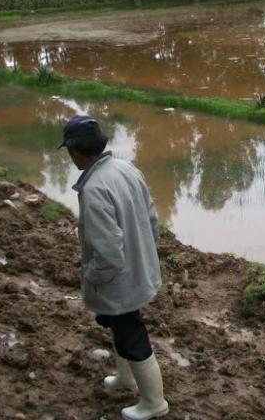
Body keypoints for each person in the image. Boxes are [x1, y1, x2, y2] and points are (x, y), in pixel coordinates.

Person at [60, 114, 168, 420]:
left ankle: (154, 402)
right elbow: (152, 221)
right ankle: (125, 377)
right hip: (138, 268)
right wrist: (143, 255)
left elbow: (108, 254)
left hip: (118, 279)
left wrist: (91, 278)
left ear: (74, 151)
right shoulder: (126, 168)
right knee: (120, 328)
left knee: (132, 335)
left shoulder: (94, 188)